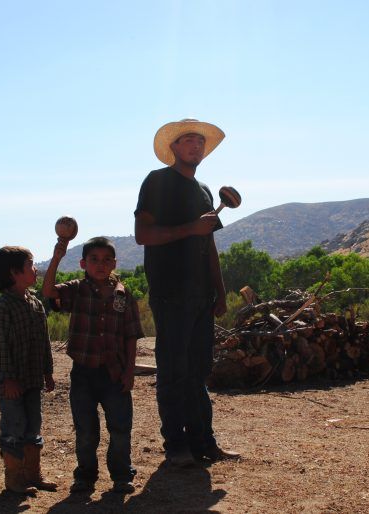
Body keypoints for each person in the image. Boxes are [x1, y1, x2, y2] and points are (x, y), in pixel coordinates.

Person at [134, 118, 240, 467]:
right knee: (172, 372)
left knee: (197, 372)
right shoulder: (157, 181)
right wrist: (190, 228)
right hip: (170, 292)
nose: (197, 146)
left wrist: (219, 292)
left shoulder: (204, 190)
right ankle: (176, 446)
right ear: (174, 148)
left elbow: (209, 245)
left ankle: (204, 443)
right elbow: (143, 235)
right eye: (189, 141)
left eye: (200, 142)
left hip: (200, 296)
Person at [42, 236, 144, 494]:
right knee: (86, 431)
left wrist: (130, 372)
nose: (101, 264)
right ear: (83, 263)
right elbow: (49, 292)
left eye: (107, 260)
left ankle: (122, 475)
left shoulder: (123, 294)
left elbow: (131, 335)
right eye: (94, 259)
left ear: (114, 263)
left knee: (120, 429)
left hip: (115, 373)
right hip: (83, 374)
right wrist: (56, 258)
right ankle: (85, 476)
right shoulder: (76, 290)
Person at [0, 246, 57, 494]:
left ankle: (33, 474)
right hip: (12, 383)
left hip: (33, 378)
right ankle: (14, 479)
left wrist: (47, 372)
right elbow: (0, 347)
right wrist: (7, 379)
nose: (35, 269)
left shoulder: (36, 304)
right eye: (30, 265)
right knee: (14, 426)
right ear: (15, 272)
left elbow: (44, 342)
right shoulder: (2, 307)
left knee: (33, 424)